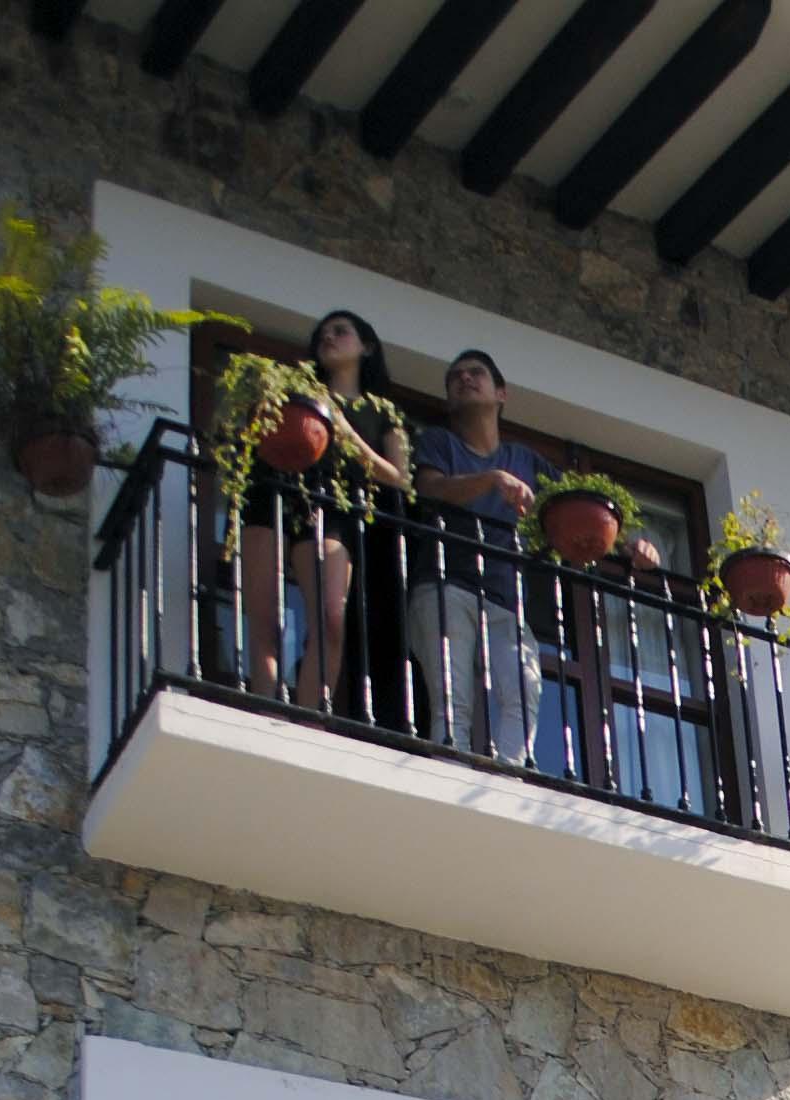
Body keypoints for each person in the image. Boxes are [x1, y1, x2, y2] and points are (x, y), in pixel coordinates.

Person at [239, 309, 413, 718]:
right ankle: (267, 708)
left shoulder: (384, 412)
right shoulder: (296, 388)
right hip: (273, 491)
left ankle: (309, 716)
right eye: (322, 334)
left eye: (340, 331)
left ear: (366, 346)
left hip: (331, 509)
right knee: (263, 616)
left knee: (332, 619)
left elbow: (399, 477)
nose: (328, 338)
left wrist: (342, 428)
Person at [406, 350, 561, 769]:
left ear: (501, 393)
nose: (464, 379)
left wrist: (631, 543)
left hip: (505, 597)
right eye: (454, 377)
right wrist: (491, 481)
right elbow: (429, 490)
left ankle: (508, 779)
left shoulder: (526, 461)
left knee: (525, 690)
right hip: (444, 584)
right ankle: (451, 774)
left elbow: (572, 510)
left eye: (476, 373)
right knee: (451, 700)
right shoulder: (439, 443)